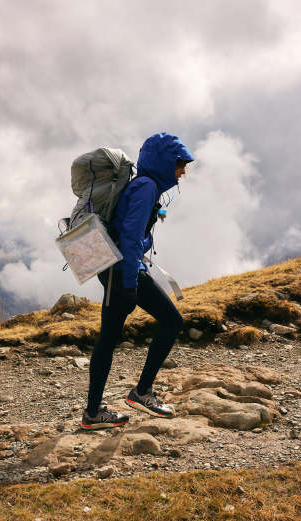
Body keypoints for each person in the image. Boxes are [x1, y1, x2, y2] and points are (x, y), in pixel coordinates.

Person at [81, 132, 194, 429]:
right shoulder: (146, 187)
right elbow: (130, 239)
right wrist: (130, 285)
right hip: (122, 270)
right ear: (164, 162)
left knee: (111, 337)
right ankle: (138, 394)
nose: (183, 171)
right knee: (169, 322)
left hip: (119, 268)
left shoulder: (147, 186)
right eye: (180, 164)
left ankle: (97, 411)